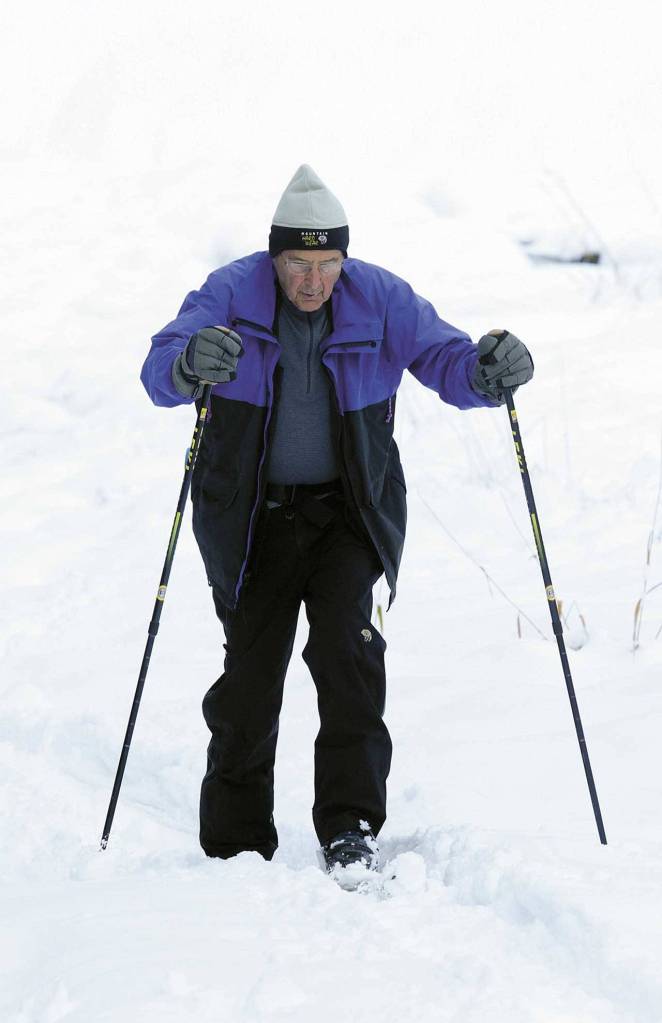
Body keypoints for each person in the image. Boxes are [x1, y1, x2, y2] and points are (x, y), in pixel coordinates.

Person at [140, 165, 533, 882]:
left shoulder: (380, 299)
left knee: (348, 657)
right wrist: (189, 362)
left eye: (327, 264)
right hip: (255, 519)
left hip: (347, 515)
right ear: (275, 256)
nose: (313, 280)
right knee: (251, 678)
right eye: (299, 262)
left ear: (344, 261)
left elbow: (447, 357)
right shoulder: (232, 292)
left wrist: (486, 371)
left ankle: (350, 825)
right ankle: (234, 842)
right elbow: (160, 364)